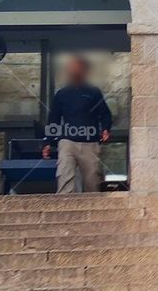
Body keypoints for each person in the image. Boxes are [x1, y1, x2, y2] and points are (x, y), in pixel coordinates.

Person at [42, 56, 112, 194]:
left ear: (85, 71)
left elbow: (105, 114)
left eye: (77, 68)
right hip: (67, 141)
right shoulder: (61, 94)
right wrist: (48, 142)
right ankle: (64, 205)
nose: (74, 71)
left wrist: (105, 129)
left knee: (92, 181)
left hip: (89, 142)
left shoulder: (94, 92)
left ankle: (93, 208)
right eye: (71, 69)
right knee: (64, 173)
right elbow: (54, 119)